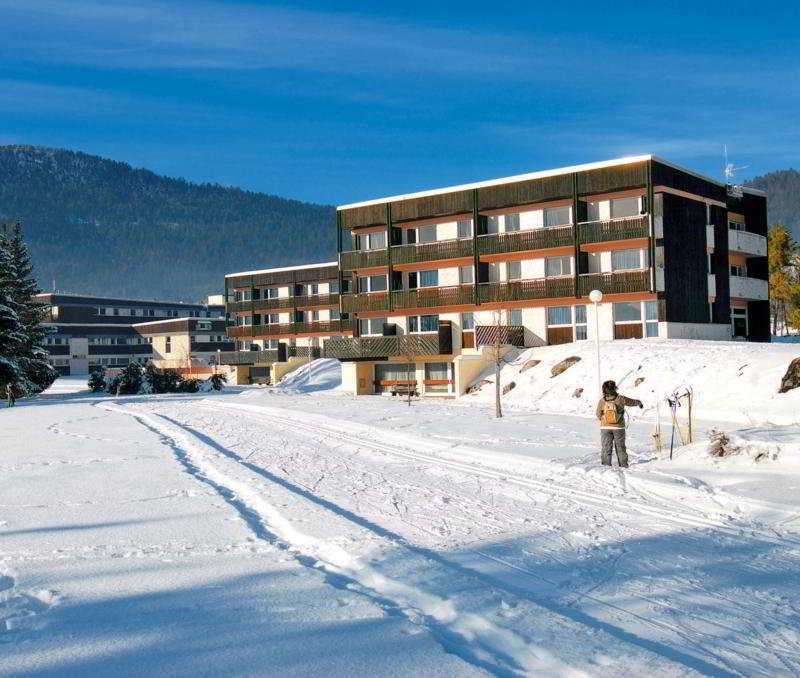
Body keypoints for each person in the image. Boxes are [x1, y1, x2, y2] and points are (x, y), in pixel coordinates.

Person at [596, 380, 642, 468]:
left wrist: (603, 419)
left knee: (606, 447)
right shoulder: (621, 398)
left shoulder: (602, 401)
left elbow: (598, 414)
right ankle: (623, 465)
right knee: (620, 447)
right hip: (619, 428)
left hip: (605, 427)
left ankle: (606, 466)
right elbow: (631, 402)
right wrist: (639, 402)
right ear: (614, 388)